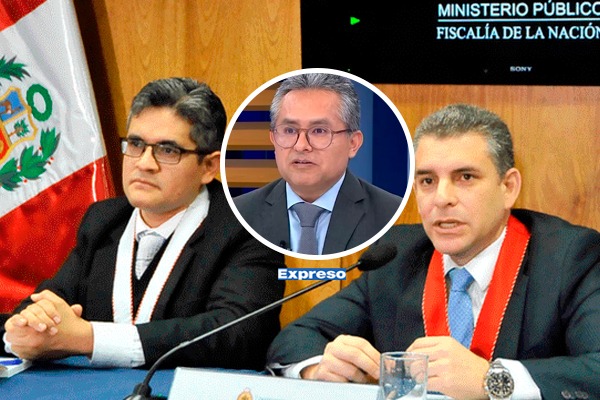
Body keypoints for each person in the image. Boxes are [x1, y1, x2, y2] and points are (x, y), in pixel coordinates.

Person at [266, 104, 600, 399]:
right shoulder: (395, 256)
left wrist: (492, 379)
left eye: (465, 177)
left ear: (508, 187)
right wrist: (319, 368)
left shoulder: (569, 258)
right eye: (427, 181)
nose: (442, 198)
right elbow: (295, 338)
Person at [1, 77, 285, 370]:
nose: (144, 163)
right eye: (136, 144)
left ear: (209, 166)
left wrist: (89, 339)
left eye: (168, 150)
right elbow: (49, 301)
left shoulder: (249, 227)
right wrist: (25, 328)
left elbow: (238, 333)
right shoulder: (104, 220)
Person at [233, 72, 402, 255]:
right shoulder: (240, 214)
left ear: (353, 143)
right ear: (273, 139)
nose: (301, 145)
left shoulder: (391, 214)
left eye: (319, 131)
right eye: (289, 130)